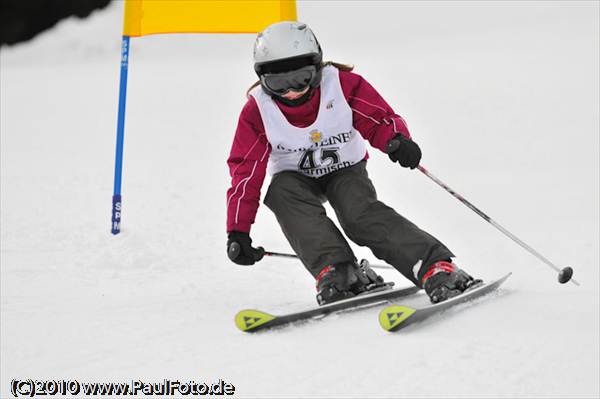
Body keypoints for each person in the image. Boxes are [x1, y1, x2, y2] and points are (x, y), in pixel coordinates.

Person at [226, 21, 480, 305]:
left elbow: (379, 118)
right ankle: (339, 271)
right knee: (281, 193)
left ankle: (435, 266)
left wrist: (395, 140)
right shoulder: (258, 110)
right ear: (262, 80)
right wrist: (238, 230)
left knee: (357, 214)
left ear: (318, 67)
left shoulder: (342, 85)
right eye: (278, 84)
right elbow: (245, 172)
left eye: (301, 78)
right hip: (295, 180)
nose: (291, 92)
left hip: (345, 170)